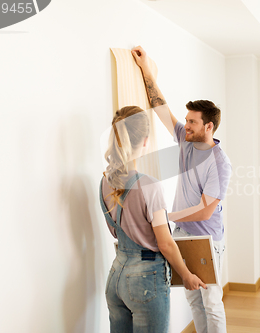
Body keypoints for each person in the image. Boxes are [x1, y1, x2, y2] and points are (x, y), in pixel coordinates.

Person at [132, 46, 232, 333]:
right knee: (193, 298)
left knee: (211, 301)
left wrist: (167, 217)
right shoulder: (186, 141)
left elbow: (206, 209)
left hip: (207, 239)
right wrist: (146, 71)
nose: (184, 125)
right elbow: (161, 108)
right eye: (186, 120)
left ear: (208, 126)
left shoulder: (219, 162)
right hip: (183, 235)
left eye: (191, 121)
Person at [99, 106, 207, 333]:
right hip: (145, 282)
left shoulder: (105, 182)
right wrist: (186, 275)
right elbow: (165, 243)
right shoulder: (148, 185)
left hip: (116, 275)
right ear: (145, 141)